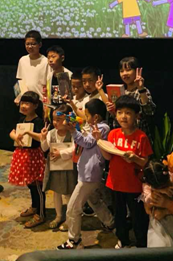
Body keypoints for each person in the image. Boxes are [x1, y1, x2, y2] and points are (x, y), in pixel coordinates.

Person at [96, 95, 153, 248]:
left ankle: (142, 244)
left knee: (138, 216)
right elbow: (108, 157)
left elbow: (146, 162)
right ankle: (123, 240)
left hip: (134, 185)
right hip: (115, 183)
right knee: (119, 215)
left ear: (136, 116)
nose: (123, 116)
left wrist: (135, 158)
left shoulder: (141, 137)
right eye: (120, 112)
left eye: (128, 113)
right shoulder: (113, 134)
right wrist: (99, 141)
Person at [58, 99, 115, 250]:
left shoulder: (102, 128)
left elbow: (87, 142)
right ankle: (110, 222)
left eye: (87, 115)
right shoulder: (94, 127)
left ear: (96, 117)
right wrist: (77, 128)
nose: (85, 117)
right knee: (94, 200)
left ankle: (73, 240)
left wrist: (73, 131)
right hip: (87, 172)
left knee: (73, 208)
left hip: (90, 174)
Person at [8, 91, 47, 228]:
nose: (23, 106)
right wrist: (16, 137)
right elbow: (12, 131)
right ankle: (34, 207)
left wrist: (28, 132)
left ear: (35, 106)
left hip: (34, 156)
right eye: (22, 103)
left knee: (37, 186)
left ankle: (41, 214)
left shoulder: (38, 121)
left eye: (27, 103)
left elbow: (41, 137)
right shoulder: (22, 119)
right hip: (23, 154)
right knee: (30, 184)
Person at [41, 104, 77, 229]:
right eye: (54, 119)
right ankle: (58, 216)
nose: (55, 122)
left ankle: (69, 219)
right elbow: (44, 148)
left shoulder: (73, 133)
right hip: (54, 167)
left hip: (68, 168)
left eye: (59, 120)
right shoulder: (51, 133)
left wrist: (60, 153)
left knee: (68, 193)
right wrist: (43, 138)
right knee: (56, 192)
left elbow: (75, 148)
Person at [106, 57, 156, 135]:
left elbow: (149, 111)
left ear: (137, 71)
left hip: (138, 136)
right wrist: (112, 111)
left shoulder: (142, 91)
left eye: (128, 70)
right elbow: (117, 118)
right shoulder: (120, 92)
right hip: (121, 136)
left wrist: (141, 89)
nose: (124, 73)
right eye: (121, 71)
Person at [16, 30, 48, 100]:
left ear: (40, 45)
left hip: (40, 100)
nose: (30, 47)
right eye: (27, 44)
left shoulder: (46, 61)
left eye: (33, 44)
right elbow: (21, 81)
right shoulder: (22, 60)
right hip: (26, 101)